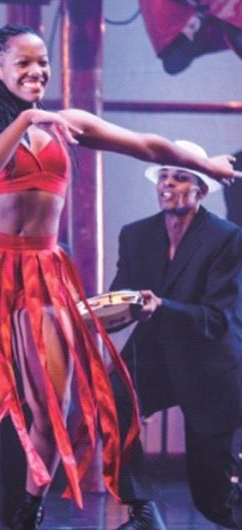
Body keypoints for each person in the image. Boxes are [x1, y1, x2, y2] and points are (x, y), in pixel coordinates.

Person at [0, 24, 241, 530]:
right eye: (24, 62)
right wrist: (25, 120)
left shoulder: (67, 124)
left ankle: (29, 511)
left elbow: (146, 145)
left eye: (42, 62)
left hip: (41, 271)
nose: (37, 71)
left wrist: (204, 164)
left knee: (53, 404)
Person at [108, 140, 242, 529]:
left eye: (180, 177)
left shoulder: (227, 238)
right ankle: (142, 509)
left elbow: (218, 319)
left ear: (201, 190)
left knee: (213, 500)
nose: (167, 184)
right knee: (111, 396)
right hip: (155, 355)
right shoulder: (135, 235)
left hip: (211, 365)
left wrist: (162, 306)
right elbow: (121, 296)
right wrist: (88, 314)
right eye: (163, 176)